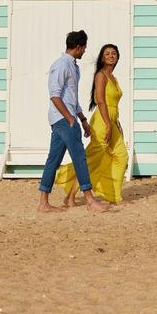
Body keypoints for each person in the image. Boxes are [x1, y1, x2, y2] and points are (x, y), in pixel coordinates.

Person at [37, 30, 109, 214]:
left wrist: (83, 119)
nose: (85, 51)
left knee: (53, 159)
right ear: (78, 47)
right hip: (63, 119)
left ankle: (43, 203)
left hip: (64, 118)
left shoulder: (73, 66)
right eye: (84, 47)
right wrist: (70, 118)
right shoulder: (61, 65)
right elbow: (54, 95)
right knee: (79, 157)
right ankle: (90, 200)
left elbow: (71, 98)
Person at [58, 43, 130, 207]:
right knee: (92, 160)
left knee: (121, 156)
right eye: (107, 54)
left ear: (118, 57)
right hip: (102, 121)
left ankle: (114, 195)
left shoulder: (113, 78)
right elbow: (100, 100)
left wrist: (116, 123)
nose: (111, 56)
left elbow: (113, 105)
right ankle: (70, 196)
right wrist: (108, 124)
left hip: (112, 120)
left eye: (114, 53)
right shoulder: (101, 75)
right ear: (102, 58)